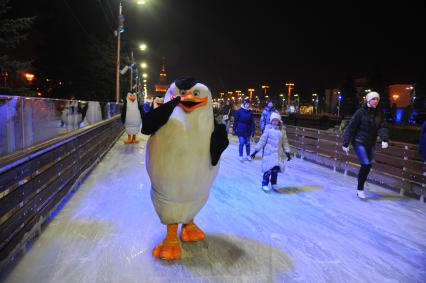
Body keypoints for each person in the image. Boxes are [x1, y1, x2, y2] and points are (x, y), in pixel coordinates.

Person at [342, 91, 389, 199]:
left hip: (370, 142)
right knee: (366, 163)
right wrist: (346, 142)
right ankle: (360, 189)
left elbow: (383, 126)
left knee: (368, 165)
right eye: (373, 99)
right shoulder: (360, 112)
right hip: (359, 141)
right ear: (368, 100)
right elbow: (351, 127)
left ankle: (361, 183)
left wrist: (384, 139)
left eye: (377, 99)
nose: (376, 101)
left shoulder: (379, 113)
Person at [250, 112, 292, 192]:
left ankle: (274, 184)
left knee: (275, 170)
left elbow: (285, 142)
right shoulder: (268, 130)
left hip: (278, 154)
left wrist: (287, 153)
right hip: (269, 153)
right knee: (268, 170)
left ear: (279, 121)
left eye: (276, 120)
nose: (275, 122)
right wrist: (255, 151)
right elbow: (262, 141)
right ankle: (264, 184)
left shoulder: (282, 131)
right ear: (271, 121)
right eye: (273, 120)